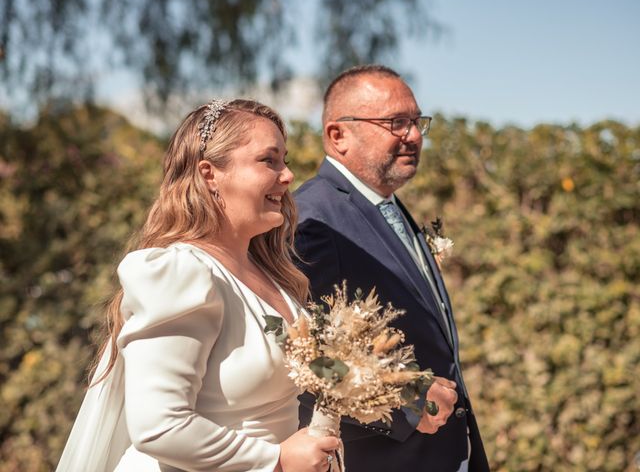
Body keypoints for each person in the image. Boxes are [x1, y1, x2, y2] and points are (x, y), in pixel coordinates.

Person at [57, 99, 340, 472]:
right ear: (209, 174)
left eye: (284, 161)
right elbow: (160, 426)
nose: (287, 176)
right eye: (268, 160)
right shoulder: (180, 271)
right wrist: (276, 459)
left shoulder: (273, 276)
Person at [294, 65, 490, 471]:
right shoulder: (314, 219)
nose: (414, 136)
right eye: (395, 123)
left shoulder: (387, 206)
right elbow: (304, 356)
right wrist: (406, 403)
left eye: (417, 122)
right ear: (338, 135)